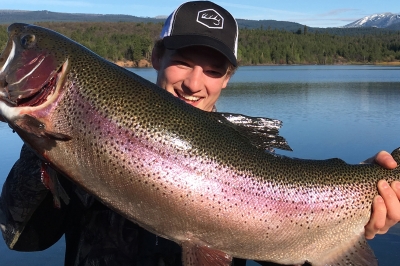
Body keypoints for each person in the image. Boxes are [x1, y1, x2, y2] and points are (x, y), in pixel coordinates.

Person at [0, 1, 399, 266]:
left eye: (212, 70)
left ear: (228, 78)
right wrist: (38, 142)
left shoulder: (253, 165)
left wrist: (355, 219)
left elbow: (285, 252)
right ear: (156, 56)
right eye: (183, 62)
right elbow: (23, 238)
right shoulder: (80, 134)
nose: (194, 82)